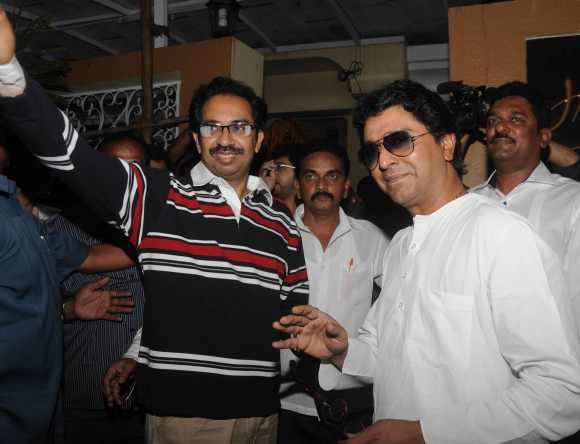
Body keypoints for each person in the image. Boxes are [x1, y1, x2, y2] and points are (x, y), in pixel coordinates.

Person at [0, 9, 308, 444]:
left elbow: (293, 311)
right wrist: (10, 75)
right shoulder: (157, 197)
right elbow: (71, 156)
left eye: (239, 126)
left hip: (262, 414)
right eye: (212, 127)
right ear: (197, 139)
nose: (225, 137)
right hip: (185, 417)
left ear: (258, 140)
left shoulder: (281, 220)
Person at [272, 79, 580, 444]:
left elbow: (561, 393)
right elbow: (389, 356)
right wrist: (343, 350)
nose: (384, 161)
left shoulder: (500, 233)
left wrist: (424, 434)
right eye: (372, 152)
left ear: (446, 144)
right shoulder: (401, 243)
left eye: (399, 141)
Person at [278, 144, 388, 443]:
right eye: (312, 176)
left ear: (346, 186)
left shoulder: (371, 238)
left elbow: (399, 300)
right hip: (286, 400)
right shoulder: (277, 237)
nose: (322, 185)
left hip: (353, 398)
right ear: (299, 186)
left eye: (332, 176)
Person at [56, 133, 147, 444]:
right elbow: (21, 311)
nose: (123, 179)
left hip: (152, 404)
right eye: (112, 167)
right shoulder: (60, 230)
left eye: (134, 169)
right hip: (83, 403)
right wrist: (69, 309)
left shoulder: (166, 230)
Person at [471, 81, 580, 321]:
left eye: (516, 119)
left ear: (543, 138)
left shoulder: (573, 202)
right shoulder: (467, 204)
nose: (500, 127)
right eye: (492, 121)